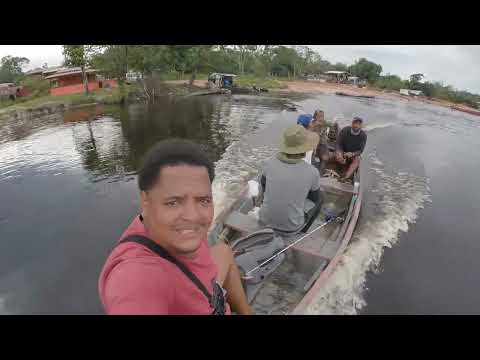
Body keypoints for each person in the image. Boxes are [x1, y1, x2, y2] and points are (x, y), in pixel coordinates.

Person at [98, 139, 253, 315]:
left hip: (205, 292)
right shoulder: (137, 277)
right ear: (146, 202)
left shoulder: (160, 225)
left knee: (223, 251)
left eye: (203, 200)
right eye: (173, 202)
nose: (193, 216)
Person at [259, 125, 322, 234]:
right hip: (291, 228)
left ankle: (270, 213)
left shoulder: (269, 162)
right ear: (304, 148)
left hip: (264, 221)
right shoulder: (312, 172)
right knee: (321, 197)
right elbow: (314, 199)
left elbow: (264, 187)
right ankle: (303, 231)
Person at [297, 109, 335, 175]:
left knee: (325, 158)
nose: (321, 118)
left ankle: (319, 172)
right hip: (312, 146)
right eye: (319, 116)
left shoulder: (325, 123)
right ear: (315, 117)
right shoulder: (309, 128)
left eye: (322, 116)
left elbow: (335, 124)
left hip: (321, 143)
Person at [335, 116, 367, 181]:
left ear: (361, 126)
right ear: (352, 124)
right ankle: (339, 166)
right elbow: (338, 144)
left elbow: (361, 150)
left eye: (359, 124)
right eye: (355, 123)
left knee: (358, 159)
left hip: (353, 155)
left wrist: (352, 154)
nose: (356, 125)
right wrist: (340, 152)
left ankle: (346, 177)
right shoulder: (345, 130)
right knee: (337, 155)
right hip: (343, 151)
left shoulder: (363, 135)